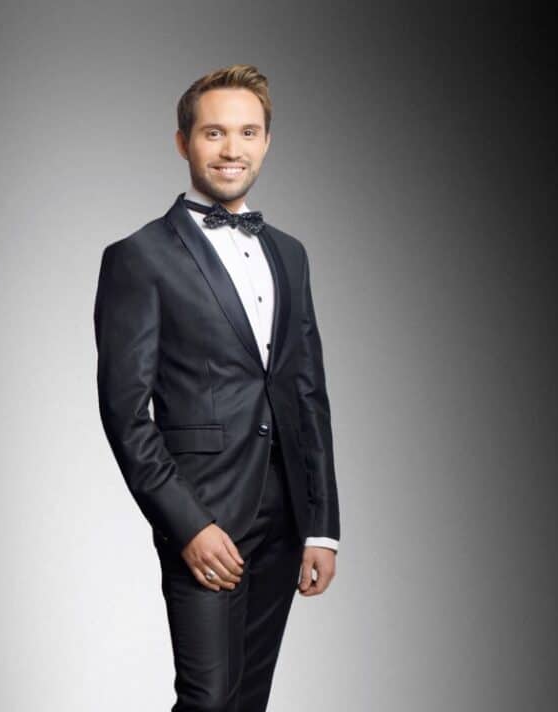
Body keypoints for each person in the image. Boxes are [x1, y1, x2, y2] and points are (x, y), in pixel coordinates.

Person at [94, 63, 340, 712]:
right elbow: (125, 414)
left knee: (248, 701)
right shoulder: (139, 257)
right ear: (183, 142)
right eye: (214, 133)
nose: (233, 149)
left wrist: (321, 527)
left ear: (267, 142)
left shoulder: (290, 254)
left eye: (248, 132)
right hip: (204, 512)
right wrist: (187, 525)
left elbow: (307, 393)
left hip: (285, 517)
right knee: (207, 700)